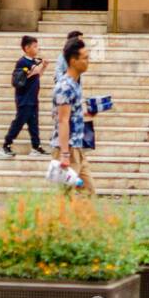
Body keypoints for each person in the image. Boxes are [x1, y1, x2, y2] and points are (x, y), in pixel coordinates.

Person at [52, 37, 96, 194]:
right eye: (84, 58)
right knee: (65, 195)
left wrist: (86, 113)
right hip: (68, 149)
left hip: (77, 147)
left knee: (89, 193)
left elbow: (70, 115)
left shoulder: (75, 84)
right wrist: (64, 154)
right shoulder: (65, 86)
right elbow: (62, 121)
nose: (88, 61)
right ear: (73, 60)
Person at [1, 36, 48, 157]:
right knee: (19, 122)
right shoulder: (22, 62)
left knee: (34, 123)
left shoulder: (33, 61)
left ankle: (36, 146)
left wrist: (43, 67)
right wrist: (37, 67)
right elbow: (25, 76)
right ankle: (6, 145)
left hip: (32, 98)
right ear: (27, 48)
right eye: (35, 46)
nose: (37, 49)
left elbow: (37, 75)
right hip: (24, 98)